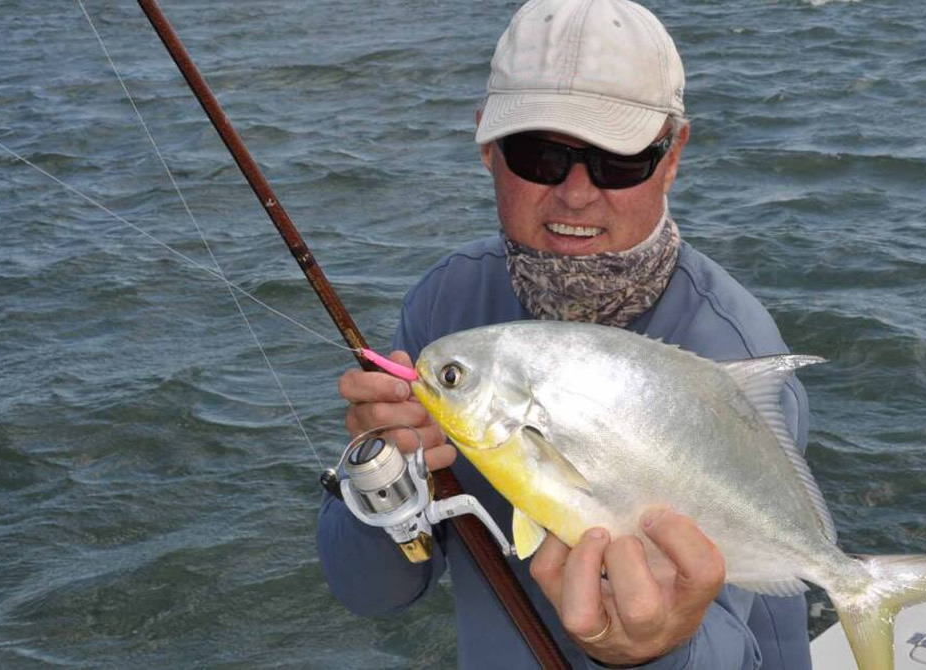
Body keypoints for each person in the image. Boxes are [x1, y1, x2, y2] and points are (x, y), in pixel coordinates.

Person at [317, 0, 813, 668]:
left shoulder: (729, 346)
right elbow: (372, 592)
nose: (577, 194)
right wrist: (384, 483)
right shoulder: (448, 305)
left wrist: (652, 650)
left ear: (674, 155)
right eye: (539, 154)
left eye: (619, 160)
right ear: (488, 149)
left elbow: (735, 646)